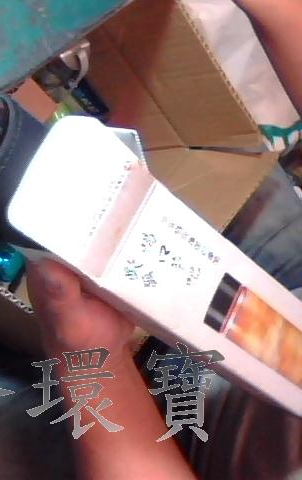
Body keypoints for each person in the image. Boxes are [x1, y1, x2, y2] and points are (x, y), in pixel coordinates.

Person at [27, 1, 302, 478]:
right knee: (220, 160)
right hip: (277, 306)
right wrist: (281, 14)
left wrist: (89, 354)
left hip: (179, 436)